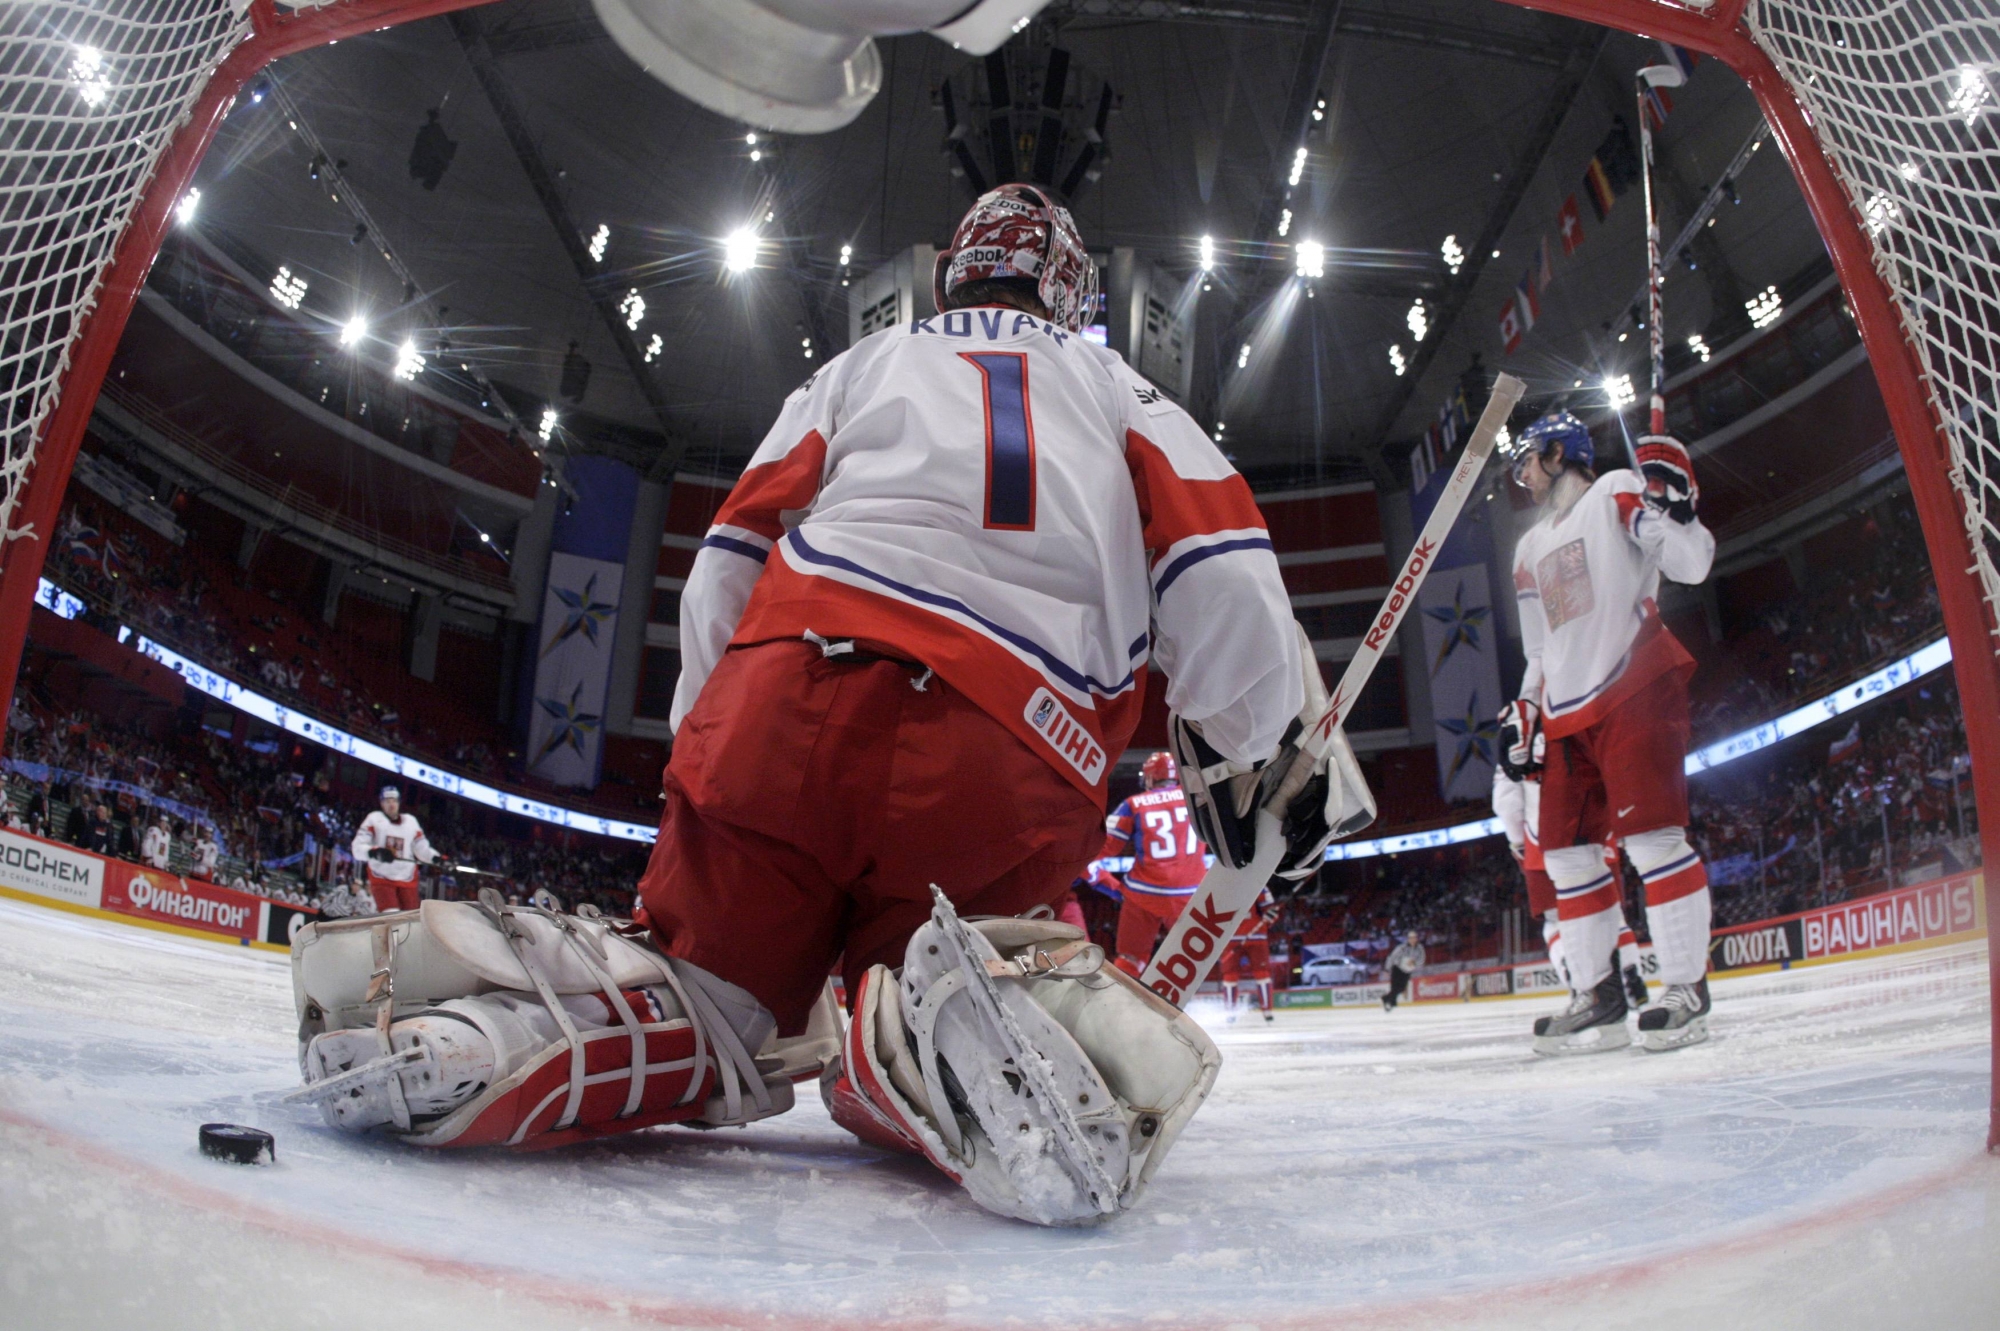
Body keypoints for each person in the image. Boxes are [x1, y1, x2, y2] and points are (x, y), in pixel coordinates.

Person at [290, 183, 1368, 1226]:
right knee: (952, 979)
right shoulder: (1125, 394)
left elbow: (728, 553)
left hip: (783, 699)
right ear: (1073, 294)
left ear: (952, 272)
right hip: (1004, 748)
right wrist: (1257, 753)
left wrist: (710, 746)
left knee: (703, 995)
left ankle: (488, 1028)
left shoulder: (860, 365)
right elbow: (1222, 570)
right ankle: (909, 1042)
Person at [1507, 412, 1715, 1053]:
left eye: (1528, 458)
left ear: (1559, 452)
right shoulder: (1526, 549)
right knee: (1568, 856)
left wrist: (1678, 507)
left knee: (1653, 840)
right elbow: (1538, 648)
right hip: (1566, 714)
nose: (1520, 473)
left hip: (1632, 687)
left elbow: (1691, 565)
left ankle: (1685, 989)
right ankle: (1597, 995)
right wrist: (1525, 710)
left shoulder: (1617, 488)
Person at [1493, 725, 1648, 1009]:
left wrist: (1519, 843)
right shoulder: (1586, 713)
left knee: (1558, 922)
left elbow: (1506, 800)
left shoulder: (1521, 725)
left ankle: (1580, 984)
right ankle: (1630, 976)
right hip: (1599, 834)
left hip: (1545, 843)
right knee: (1612, 916)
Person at [1098, 752, 1209, 975]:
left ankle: (1123, 1006)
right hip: (1190, 893)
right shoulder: (1198, 799)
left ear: (1149, 778)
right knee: (1190, 960)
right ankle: (1178, 1004)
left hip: (1144, 894)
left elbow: (1106, 845)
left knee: (1130, 958)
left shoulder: (1133, 804)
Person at [349, 785, 441, 913]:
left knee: (411, 919)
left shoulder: (411, 821)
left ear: (398, 802)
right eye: (387, 801)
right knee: (391, 917)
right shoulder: (374, 819)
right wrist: (374, 852)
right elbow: (357, 847)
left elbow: (421, 847)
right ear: (381, 803)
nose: (391, 804)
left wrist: (435, 858)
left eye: (394, 800)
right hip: (382, 877)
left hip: (407, 877)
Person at [1219, 887, 1278, 1022]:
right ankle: (1230, 1011)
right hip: (1230, 938)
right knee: (1229, 976)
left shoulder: (1259, 885)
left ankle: (1267, 1010)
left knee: (1262, 973)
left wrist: (1270, 915)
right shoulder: (1221, 885)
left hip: (1256, 936)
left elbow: (1271, 909)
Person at [1383, 932, 1425, 1010]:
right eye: (1411, 938)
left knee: (1401, 988)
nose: (1412, 940)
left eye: (1414, 938)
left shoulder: (1420, 948)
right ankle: (1391, 1003)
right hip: (1397, 968)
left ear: (1416, 939)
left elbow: (1422, 959)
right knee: (1395, 987)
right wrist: (1387, 969)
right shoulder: (1402, 947)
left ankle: (1386, 998)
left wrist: (1415, 962)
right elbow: (1392, 957)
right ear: (1408, 939)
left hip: (1407, 971)